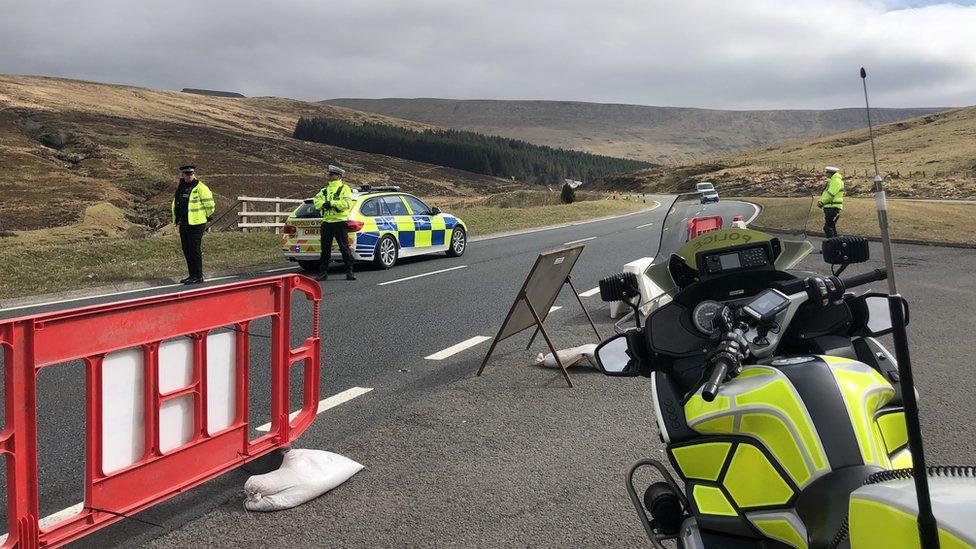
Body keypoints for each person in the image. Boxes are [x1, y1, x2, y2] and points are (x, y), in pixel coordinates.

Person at [171, 165, 215, 284]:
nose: (189, 176)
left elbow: (210, 205)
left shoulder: (200, 187)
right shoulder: (182, 186)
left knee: (194, 249)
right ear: (183, 175)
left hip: (197, 223)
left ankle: (198, 276)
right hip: (184, 222)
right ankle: (192, 275)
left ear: (194, 174)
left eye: (191, 174)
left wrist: (207, 216)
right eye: (187, 174)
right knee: (186, 248)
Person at [313, 165, 356, 281]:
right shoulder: (324, 190)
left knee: (344, 248)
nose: (329, 176)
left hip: (340, 222)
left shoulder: (345, 189)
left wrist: (330, 203)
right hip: (326, 223)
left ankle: (349, 272)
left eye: (332, 174)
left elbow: (346, 204)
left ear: (339, 176)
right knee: (325, 249)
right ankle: (323, 272)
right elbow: (316, 202)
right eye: (329, 174)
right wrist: (323, 204)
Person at [818, 166, 844, 238]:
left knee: (827, 227)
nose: (826, 174)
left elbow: (830, 194)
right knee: (831, 227)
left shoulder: (835, 181)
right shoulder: (832, 181)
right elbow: (826, 193)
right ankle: (835, 246)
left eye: (827, 172)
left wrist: (822, 202)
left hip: (832, 207)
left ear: (830, 173)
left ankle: (831, 246)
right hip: (831, 207)